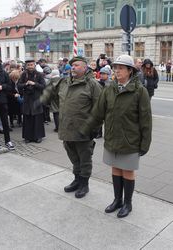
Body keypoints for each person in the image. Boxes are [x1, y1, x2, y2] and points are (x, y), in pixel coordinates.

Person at [79, 54, 152, 218]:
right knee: (116, 169)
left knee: (127, 171)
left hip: (130, 139)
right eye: (115, 68)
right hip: (112, 137)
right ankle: (117, 200)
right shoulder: (110, 88)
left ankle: (128, 203)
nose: (117, 71)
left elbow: (146, 120)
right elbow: (98, 112)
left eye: (121, 68)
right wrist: (87, 129)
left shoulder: (140, 91)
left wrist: (145, 143)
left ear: (130, 71)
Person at [41, 56, 102, 198]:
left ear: (85, 67)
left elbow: (100, 109)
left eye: (76, 65)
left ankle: (84, 184)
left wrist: (94, 128)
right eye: (72, 65)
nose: (73, 67)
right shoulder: (64, 83)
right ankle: (77, 180)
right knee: (74, 157)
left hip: (83, 130)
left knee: (84, 159)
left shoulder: (92, 85)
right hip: (67, 129)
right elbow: (56, 99)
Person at [17, 57, 46, 143]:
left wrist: (34, 84)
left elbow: (43, 86)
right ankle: (27, 137)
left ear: (34, 65)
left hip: (36, 100)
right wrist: (25, 84)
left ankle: (38, 136)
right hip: (27, 100)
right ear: (26, 66)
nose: (30, 66)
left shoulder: (40, 74)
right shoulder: (23, 74)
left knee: (37, 119)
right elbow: (19, 85)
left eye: (31, 65)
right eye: (28, 65)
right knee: (27, 119)